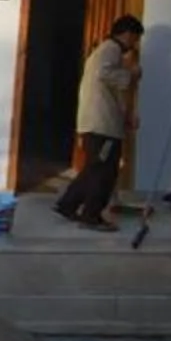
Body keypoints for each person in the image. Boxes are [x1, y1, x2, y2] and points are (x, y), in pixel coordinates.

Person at [55, 14, 143, 231]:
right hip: (102, 124)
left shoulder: (106, 51)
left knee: (95, 167)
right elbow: (105, 74)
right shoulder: (111, 49)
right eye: (135, 39)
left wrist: (127, 114)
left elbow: (110, 86)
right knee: (105, 170)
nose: (134, 45)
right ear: (127, 34)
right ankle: (91, 216)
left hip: (98, 122)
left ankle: (68, 205)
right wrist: (131, 74)